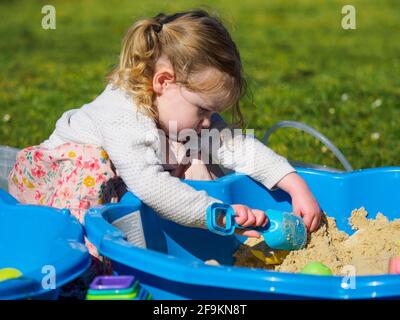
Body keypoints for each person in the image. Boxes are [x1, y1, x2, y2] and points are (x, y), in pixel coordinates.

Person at [8, 9, 321, 257]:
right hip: (64, 186)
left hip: (131, 179)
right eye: (202, 110)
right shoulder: (122, 114)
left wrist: (294, 184)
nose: (209, 121)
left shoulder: (178, 107)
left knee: (202, 150)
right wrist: (219, 215)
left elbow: (235, 146)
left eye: (214, 112)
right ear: (163, 82)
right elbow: (151, 186)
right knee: (102, 175)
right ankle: (94, 263)